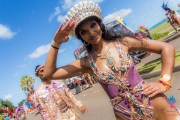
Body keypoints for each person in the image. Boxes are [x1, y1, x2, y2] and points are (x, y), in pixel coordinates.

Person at [44, 1, 180, 119]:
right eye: (83, 32)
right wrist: (56, 42)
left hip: (157, 106)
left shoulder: (123, 42)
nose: (91, 33)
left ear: (99, 24)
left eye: (92, 25)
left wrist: (164, 81)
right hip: (125, 115)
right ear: (81, 38)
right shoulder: (86, 63)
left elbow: (166, 48)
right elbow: (49, 74)